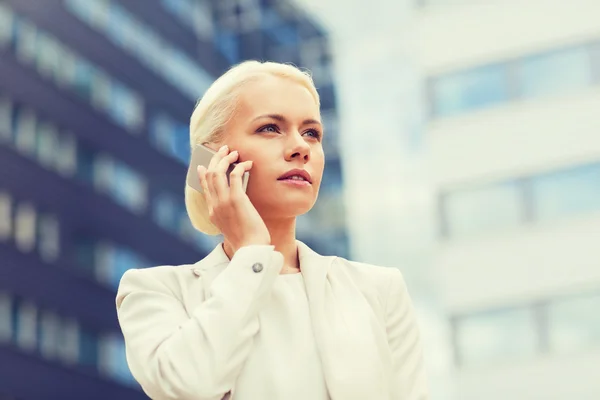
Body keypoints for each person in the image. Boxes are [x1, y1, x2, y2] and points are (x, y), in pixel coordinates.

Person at [115, 60, 429, 400]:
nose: (301, 148)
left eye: (312, 133)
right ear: (212, 160)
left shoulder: (379, 291)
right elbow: (190, 385)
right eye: (270, 128)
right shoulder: (155, 292)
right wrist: (251, 252)